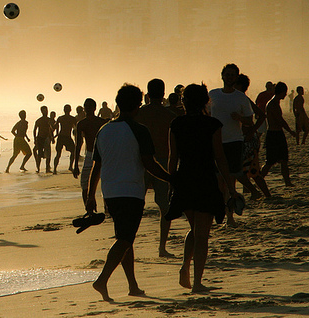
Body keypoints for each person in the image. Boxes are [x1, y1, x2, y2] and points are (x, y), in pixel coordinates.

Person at [85, 84, 172, 302]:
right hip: (131, 191)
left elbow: (97, 165)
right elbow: (149, 164)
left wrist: (90, 195)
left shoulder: (104, 130)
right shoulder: (139, 130)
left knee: (126, 237)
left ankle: (132, 285)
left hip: (110, 192)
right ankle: (102, 280)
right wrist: (171, 178)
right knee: (125, 238)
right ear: (137, 105)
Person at [165, 84, 239, 293]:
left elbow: (173, 157)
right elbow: (220, 157)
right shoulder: (212, 124)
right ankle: (197, 282)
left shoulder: (176, 124)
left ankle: (186, 267)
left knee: (196, 229)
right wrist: (230, 187)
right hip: (205, 179)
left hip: (185, 179)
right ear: (205, 101)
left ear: (184, 101)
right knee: (202, 234)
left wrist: (172, 183)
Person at [208, 63, 253, 227]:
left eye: (233, 75)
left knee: (230, 182)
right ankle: (220, 214)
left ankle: (230, 218)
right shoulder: (213, 94)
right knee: (218, 182)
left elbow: (250, 119)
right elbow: (205, 113)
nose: (229, 77)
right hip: (215, 142)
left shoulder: (240, 97)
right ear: (222, 76)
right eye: (227, 74)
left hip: (234, 141)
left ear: (236, 77)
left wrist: (240, 118)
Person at [136, 78, 177, 257]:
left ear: (147, 93)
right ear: (163, 93)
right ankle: (162, 247)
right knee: (164, 207)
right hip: (163, 161)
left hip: (140, 162)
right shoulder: (170, 116)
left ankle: (128, 244)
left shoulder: (138, 114)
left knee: (136, 205)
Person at [233, 73, 271, 200]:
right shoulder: (239, 98)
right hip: (245, 137)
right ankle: (262, 194)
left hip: (248, 139)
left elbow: (261, 116)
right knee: (251, 171)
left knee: (243, 170)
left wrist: (251, 131)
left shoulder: (243, 99)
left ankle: (257, 192)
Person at [261, 82, 296, 187]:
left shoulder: (275, 103)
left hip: (277, 133)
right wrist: (290, 131)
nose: (286, 95)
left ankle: (287, 182)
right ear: (281, 92)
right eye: (285, 92)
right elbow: (280, 120)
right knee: (269, 162)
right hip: (274, 134)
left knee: (284, 160)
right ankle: (259, 179)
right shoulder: (272, 104)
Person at [73, 98, 109, 205]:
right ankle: (88, 208)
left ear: (94, 108)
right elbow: (78, 144)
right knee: (85, 183)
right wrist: (75, 165)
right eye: (86, 106)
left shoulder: (101, 122)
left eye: (90, 106)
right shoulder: (81, 124)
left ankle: (107, 207)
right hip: (89, 154)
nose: (87, 108)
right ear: (84, 108)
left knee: (105, 181)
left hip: (102, 154)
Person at [53, 104, 77, 174]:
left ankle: (55, 169)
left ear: (64, 110)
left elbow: (55, 127)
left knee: (58, 154)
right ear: (70, 110)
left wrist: (52, 135)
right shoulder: (72, 118)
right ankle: (70, 166)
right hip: (66, 137)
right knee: (73, 152)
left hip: (61, 137)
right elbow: (76, 129)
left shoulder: (61, 118)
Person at [33, 106, 53, 173]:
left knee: (48, 154)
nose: (46, 112)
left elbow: (50, 129)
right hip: (40, 138)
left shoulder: (49, 119)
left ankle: (47, 168)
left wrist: (52, 137)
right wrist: (35, 139)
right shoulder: (39, 120)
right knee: (39, 154)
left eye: (46, 110)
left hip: (47, 138)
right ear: (41, 111)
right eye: (44, 110)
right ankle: (38, 168)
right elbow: (35, 130)